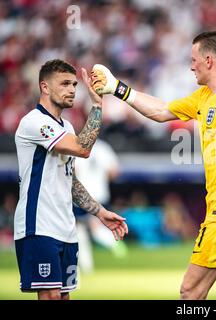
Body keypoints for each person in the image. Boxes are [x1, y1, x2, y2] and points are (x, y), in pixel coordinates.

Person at [91, 31, 216, 300]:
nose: (191, 66)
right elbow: (161, 111)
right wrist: (118, 89)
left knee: (190, 292)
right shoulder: (204, 97)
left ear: (208, 60)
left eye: (193, 60)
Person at [14, 59, 128, 300]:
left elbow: (70, 180)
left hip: (65, 227)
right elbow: (83, 149)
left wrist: (99, 211)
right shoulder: (34, 122)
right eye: (64, 83)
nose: (72, 89)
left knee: (64, 297)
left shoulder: (65, 126)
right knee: (51, 296)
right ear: (45, 87)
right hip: (38, 225)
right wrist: (97, 105)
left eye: (74, 84)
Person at [74, 138, 127, 274]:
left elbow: (72, 171)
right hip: (100, 194)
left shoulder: (75, 144)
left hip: (82, 195)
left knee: (80, 229)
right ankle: (112, 244)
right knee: (91, 228)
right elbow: (114, 171)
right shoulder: (103, 147)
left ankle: (88, 263)